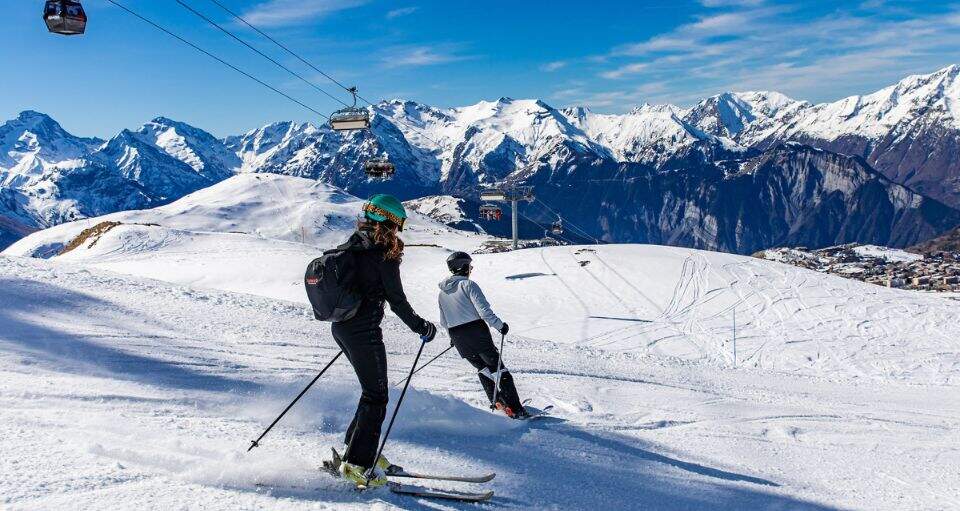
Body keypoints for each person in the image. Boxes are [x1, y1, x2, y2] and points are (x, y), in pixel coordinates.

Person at [333, 194, 437, 488]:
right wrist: (422, 327)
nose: (399, 230)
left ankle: (355, 451)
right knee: (376, 397)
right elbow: (397, 300)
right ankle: (357, 464)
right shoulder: (383, 253)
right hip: (363, 331)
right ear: (388, 221)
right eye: (398, 223)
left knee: (371, 393)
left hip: (343, 327)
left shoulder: (353, 244)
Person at [437, 251, 530, 419]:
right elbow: (484, 312)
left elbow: (444, 321)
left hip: (458, 337)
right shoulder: (468, 285)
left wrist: (453, 338)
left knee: (483, 369)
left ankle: (497, 401)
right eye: (469, 266)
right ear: (463, 267)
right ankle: (516, 410)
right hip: (476, 332)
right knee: (500, 371)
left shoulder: (442, 293)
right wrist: (500, 326)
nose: (471, 269)